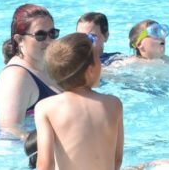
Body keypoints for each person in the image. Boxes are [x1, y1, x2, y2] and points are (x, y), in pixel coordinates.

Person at [35, 33, 124, 170]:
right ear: (90, 70)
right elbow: (117, 160)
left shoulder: (46, 108)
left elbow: (45, 164)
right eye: (98, 60)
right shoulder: (113, 104)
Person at [0, 4, 63, 140]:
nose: (49, 41)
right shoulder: (15, 77)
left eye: (52, 33)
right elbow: (9, 132)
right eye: (40, 35)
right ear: (19, 40)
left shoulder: (47, 67)